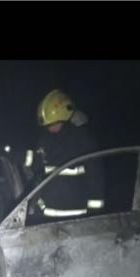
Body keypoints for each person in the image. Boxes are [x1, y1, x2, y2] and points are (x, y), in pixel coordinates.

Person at [26, 89, 106, 220]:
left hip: (77, 219)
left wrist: (94, 215)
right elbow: (36, 169)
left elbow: (96, 176)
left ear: (65, 118)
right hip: (47, 218)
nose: (50, 128)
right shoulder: (44, 139)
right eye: (47, 125)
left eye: (53, 124)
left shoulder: (82, 140)